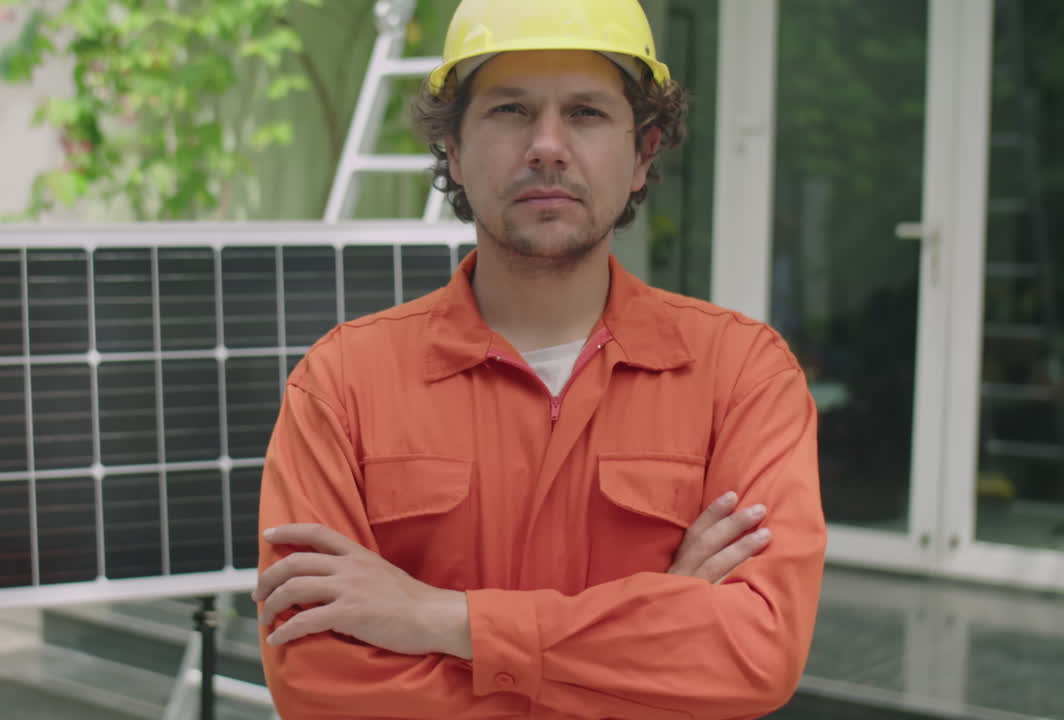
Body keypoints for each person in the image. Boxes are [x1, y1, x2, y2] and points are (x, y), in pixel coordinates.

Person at [252, 0, 825, 717]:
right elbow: (321, 685)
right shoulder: (341, 385)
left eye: (585, 113)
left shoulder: (741, 374)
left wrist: (440, 619)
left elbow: (755, 652)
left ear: (644, 152)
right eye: (510, 111)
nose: (547, 145)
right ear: (453, 152)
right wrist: (657, 632)